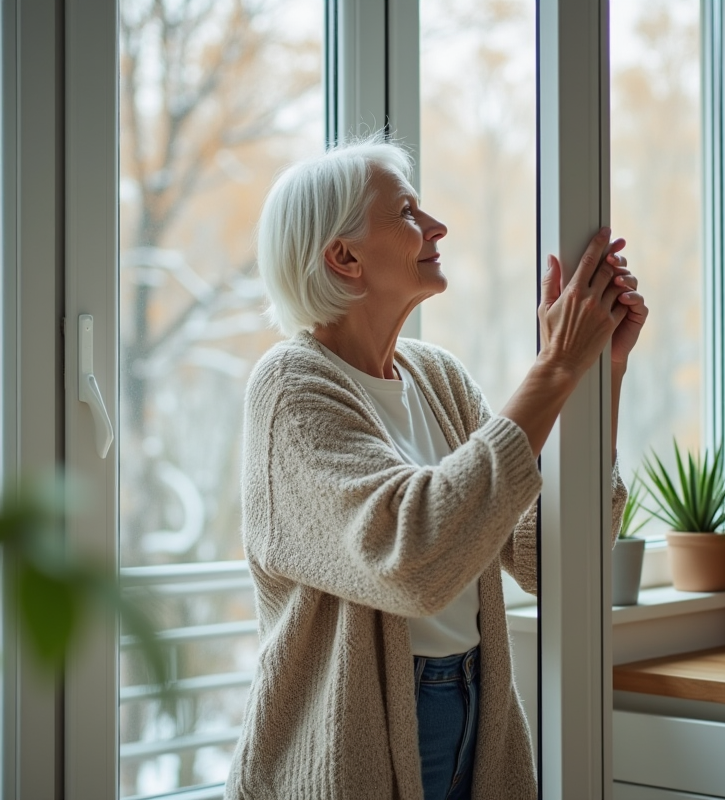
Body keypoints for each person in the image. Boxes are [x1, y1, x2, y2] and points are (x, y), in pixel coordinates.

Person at [225, 135, 648, 800]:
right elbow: (412, 556)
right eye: (407, 213)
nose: (436, 227)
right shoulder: (289, 386)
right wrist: (556, 367)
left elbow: (545, 557)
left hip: (480, 709)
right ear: (344, 257)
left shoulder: (439, 375)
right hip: (353, 736)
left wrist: (603, 372)